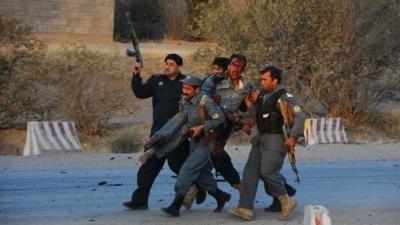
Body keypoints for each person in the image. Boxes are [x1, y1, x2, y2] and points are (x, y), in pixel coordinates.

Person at [229, 65, 306, 221]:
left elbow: (301, 116)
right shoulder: (263, 95)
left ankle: (286, 200)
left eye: (265, 79)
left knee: (268, 172)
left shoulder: (284, 97)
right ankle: (245, 208)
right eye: (261, 79)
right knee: (250, 173)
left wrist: (293, 137)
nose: (261, 82)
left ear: (275, 80)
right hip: (261, 138)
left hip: (276, 140)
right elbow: (253, 113)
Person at [123, 53, 191, 210]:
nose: (167, 67)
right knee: (147, 168)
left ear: (179, 66)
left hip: (177, 135)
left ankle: (200, 188)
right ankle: (140, 201)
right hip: (157, 134)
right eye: (166, 63)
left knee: (179, 167)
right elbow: (140, 92)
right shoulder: (156, 80)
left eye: (171, 64)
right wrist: (136, 74)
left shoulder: (186, 83)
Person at [161, 75, 231, 217]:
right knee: (202, 175)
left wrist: (202, 127)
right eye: (183, 87)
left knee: (187, 170)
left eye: (187, 88)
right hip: (194, 142)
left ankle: (176, 205)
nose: (184, 91)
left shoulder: (206, 102)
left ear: (197, 89)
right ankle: (220, 196)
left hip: (207, 142)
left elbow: (220, 119)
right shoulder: (184, 101)